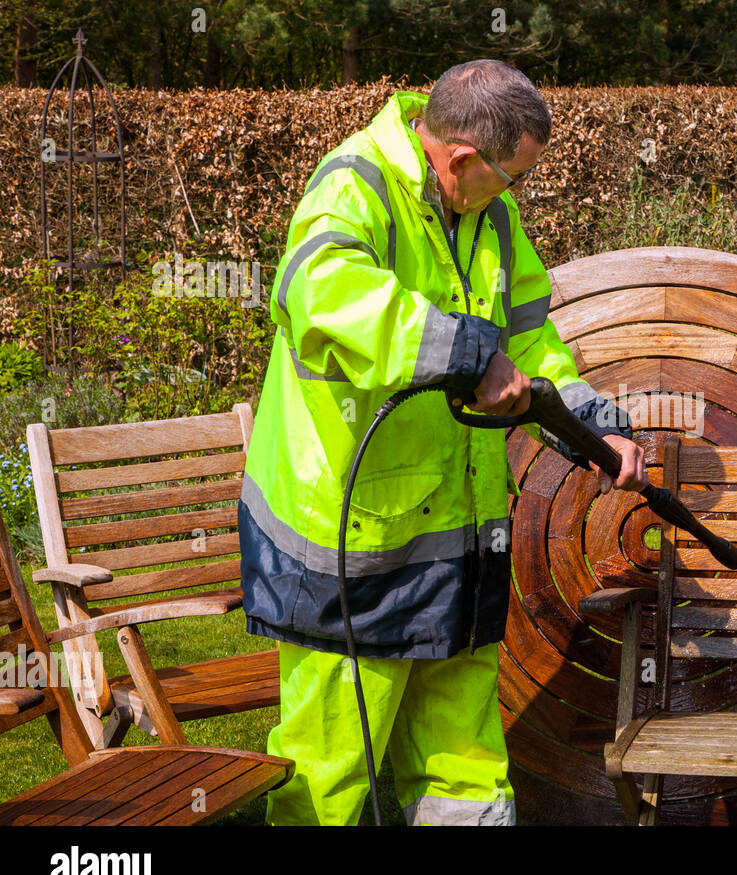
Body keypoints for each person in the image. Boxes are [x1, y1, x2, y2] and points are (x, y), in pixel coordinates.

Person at [238, 59, 648, 826]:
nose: (515, 194)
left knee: (464, 761)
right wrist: (465, 355)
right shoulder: (353, 187)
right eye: (511, 176)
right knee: (332, 769)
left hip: (457, 535)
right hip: (345, 538)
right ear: (461, 159)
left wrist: (596, 427)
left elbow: (530, 341)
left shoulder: (487, 217)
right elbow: (318, 293)